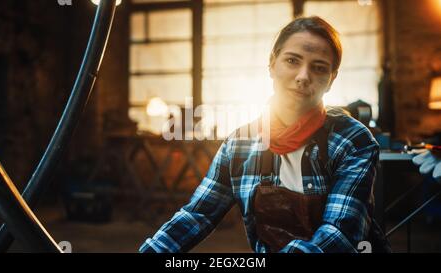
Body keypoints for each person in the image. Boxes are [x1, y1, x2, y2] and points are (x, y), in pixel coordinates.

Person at [139, 16, 390, 253]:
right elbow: (197, 214)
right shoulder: (239, 145)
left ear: (331, 79)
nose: (303, 77)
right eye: (292, 61)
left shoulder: (353, 141)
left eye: (318, 67)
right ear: (272, 65)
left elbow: (340, 234)